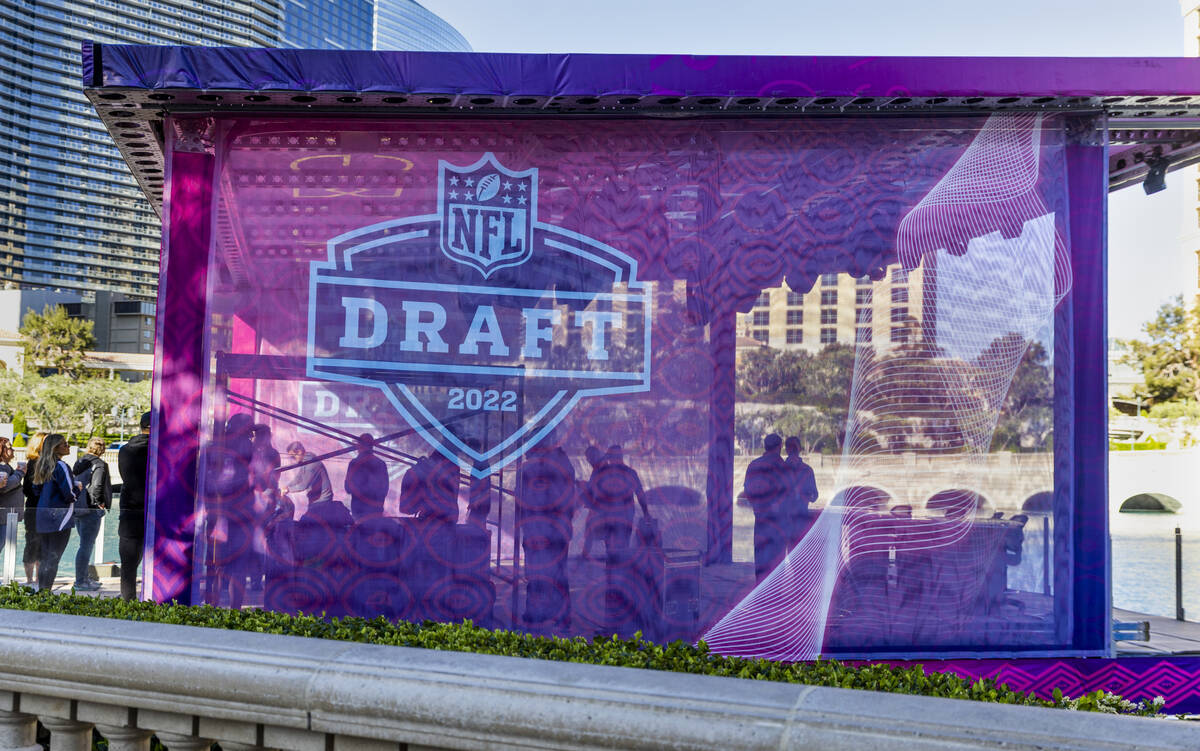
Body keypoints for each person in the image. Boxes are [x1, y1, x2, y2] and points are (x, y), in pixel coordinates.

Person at [516, 440, 576, 627]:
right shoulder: (562, 466)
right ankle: (553, 614)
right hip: (550, 530)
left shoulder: (534, 470)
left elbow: (522, 500)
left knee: (541, 573)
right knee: (554, 573)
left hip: (543, 530)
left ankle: (540, 613)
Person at [33, 434, 81, 591]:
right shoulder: (61, 466)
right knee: (53, 557)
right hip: (60, 516)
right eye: (64, 444)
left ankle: (42, 591)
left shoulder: (42, 465)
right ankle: (45, 593)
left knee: (45, 557)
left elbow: (36, 490)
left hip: (42, 515)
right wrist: (78, 489)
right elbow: (69, 494)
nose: (68, 446)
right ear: (55, 448)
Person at [587, 445, 652, 556]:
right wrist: (646, 512)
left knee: (613, 545)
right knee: (620, 545)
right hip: (621, 515)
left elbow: (591, 490)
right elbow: (640, 494)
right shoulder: (628, 472)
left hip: (612, 515)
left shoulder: (603, 472)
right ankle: (618, 567)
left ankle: (614, 567)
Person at [744, 433, 789, 581]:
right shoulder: (782, 466)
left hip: (761, 517)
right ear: (779, 447)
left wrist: (757, 506)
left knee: (761, 554)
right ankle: (774, 592)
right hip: (779, 521)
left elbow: (748, 491)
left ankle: (760, 589)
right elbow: (788, 492)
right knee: (777, 557)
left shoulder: (754, 465)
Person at [71, 437, 112, 591]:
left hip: (78, 507)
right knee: (86, 546)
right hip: (91, 509)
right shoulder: (100, 464)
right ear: (102, 449)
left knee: (84, 544)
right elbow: (97, 485)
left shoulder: (79, 462)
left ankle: (83, 578)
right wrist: (99, 503)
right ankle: (81, 581)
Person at [117, 412, 151, 600]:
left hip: (129, 511)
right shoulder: (160, 450)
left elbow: (125, 478)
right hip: (154, 512)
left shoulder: (125, 450)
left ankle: (127, 601)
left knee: (128, 566)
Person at [783, 436, 819, 548]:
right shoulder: (807, 470)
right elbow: (815, 496)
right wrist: (805, 496)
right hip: (800, 516)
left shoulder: (780, 469)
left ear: (786, 450)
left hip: (784, 517)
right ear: (800, 449)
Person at [345, 433, 389, 520]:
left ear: (359, 446)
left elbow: (348, 488)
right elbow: (385, 489)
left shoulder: (354, 463)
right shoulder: (381, 463)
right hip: (376, 510)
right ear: (372, 446)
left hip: (358, 510)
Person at [283, 441, 333, 516]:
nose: (292, 459)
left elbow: (303, 485)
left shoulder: (312, 463)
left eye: (293, 456)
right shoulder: (306, 461)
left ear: (299, 452)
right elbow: (298, 478)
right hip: (316, 500)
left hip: (323, 501)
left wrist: (288, 489)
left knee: (306, 524)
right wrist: (286, 486)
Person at [0, 437, 26, 557]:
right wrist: (20, 472)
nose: (14, 450)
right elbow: (4, 487)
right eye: (10, 448)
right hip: (3, 516)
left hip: (7, 517)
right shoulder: (2, 467)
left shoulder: (6, 466)